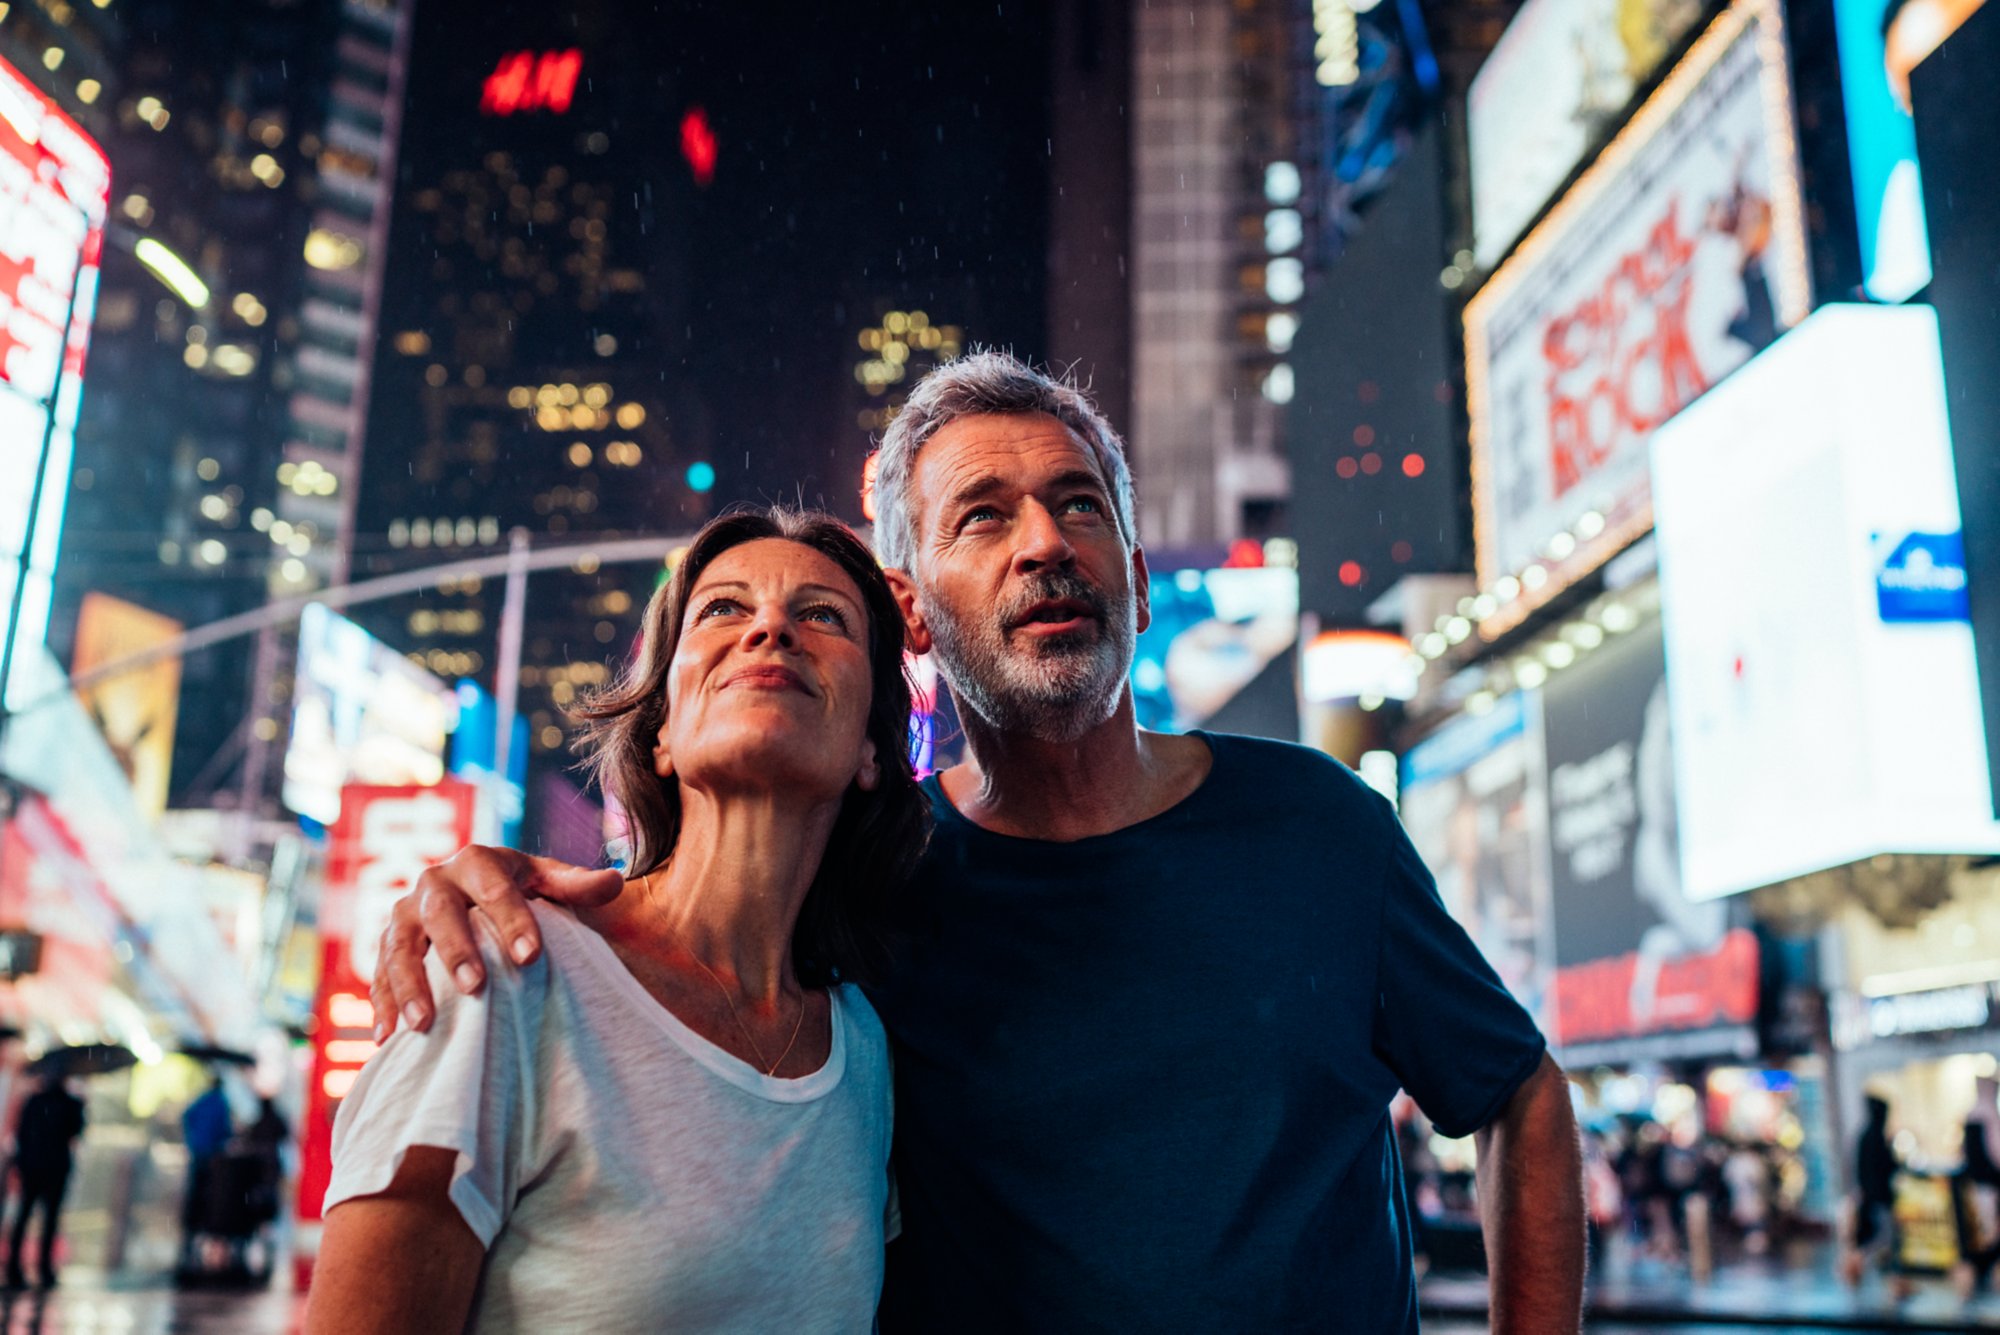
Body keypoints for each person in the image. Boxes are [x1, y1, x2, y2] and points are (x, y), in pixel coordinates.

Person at [374, 352, 1587, 1332]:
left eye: (1078, 507)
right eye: (981, 519)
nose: (1043, 544)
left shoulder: (1322, 829)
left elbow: (1517, 1096)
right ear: (912, 609)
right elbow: (680, 940)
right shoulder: (867, 888)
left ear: (1136, 575)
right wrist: (483, 884)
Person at [305, 509, 927, 1333]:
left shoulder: (865, 1058)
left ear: (871, 752)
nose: (771, 627)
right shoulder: (502, 972)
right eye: (723, 609)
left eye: (822, 615)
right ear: (663, 730)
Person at [5, 1072, 85, 1289]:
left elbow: (22, 1133)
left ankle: (15, 1268)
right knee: (48, 1220)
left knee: (25, 1217)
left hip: (33, 1167)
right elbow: (76, 1132)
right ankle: (42, 1270)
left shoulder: (35, 1101)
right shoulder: (71, 1103)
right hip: (54, 1169)